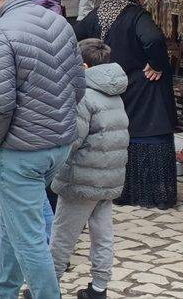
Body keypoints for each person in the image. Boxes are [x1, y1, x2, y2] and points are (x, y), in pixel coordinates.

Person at [0, 0, 85, 299]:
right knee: (14, 222)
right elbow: (77, 85)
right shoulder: (59, 23)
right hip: (57, 144)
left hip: (19, 150)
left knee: (29, 239)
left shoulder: (0, 31)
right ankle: (6, 291)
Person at [77, 0, 177, 209]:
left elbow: (78, 36)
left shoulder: (99, 13)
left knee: (124, 136)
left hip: (115, 85)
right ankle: (154, 195)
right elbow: (153, 39)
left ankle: (125, 192)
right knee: (150, 134)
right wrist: (157, 64)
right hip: (145, 87)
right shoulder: (135, 15)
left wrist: (93, 64)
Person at [48, 39, 128, 299]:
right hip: (108, 179)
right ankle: (99, 287)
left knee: (62, 235)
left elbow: (72, 141)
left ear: (82, 66)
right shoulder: (114, 93)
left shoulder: (84, 97)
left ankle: (47, 287)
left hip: (81, 178)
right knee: (102, 234)